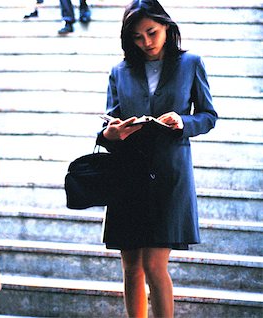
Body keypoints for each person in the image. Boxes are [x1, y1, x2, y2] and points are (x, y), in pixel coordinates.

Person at [96, 0, 217, 317]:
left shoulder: (190, 63)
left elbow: (208, 116)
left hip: (169, 174)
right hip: (128, 176)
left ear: (166, 26)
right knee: (131, 267)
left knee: (153, 264)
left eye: (151, 32)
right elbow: (108, 122)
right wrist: (111, 133)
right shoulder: (119, 71)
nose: (146, 42)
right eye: (137, 36)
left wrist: (183, 122)